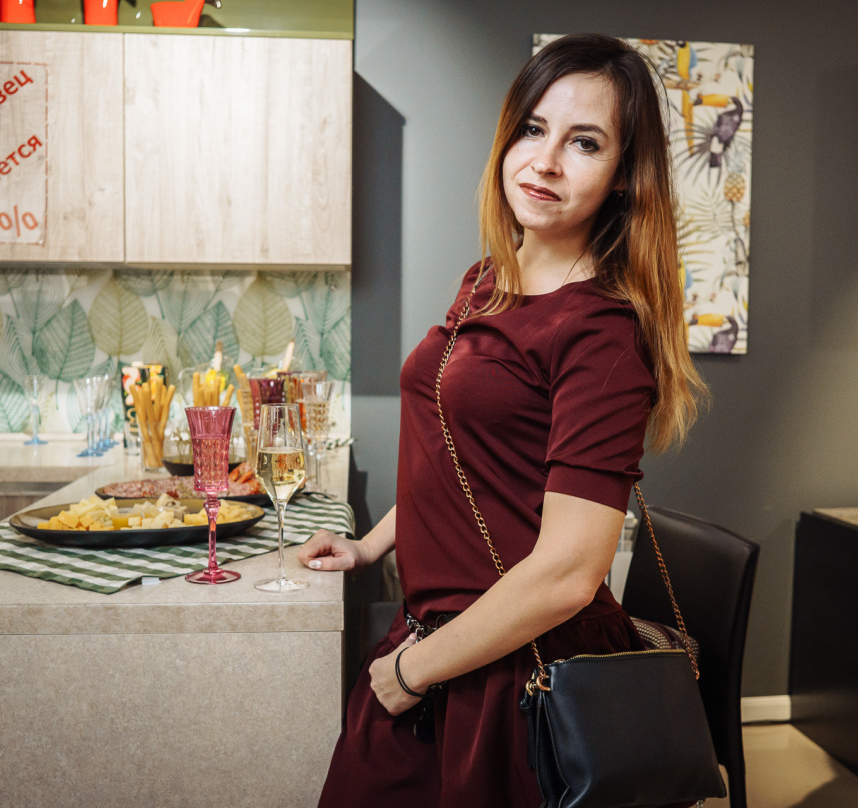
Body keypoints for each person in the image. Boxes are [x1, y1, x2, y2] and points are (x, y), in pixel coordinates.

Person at [297, 33, 706, 807]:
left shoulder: (601, 333)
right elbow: (460, 461)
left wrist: (412, 672)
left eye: (585, 143)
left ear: (624, 176)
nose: (545, 161)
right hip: (442, 643)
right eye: (533, 129)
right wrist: (369, 545)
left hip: (516, 674)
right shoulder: (488, 278)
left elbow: (569, 575)